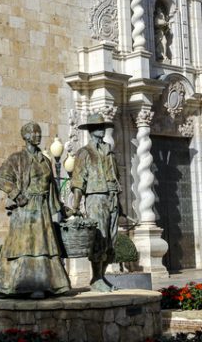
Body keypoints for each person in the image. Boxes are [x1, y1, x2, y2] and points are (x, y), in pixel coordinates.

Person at [0, 121, 71, 298]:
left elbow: (53, 188)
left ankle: (49, 284)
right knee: (25, 246)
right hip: (25, 208)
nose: (37, 135)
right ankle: (17, 285)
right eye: (34, 132)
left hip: (42, 207)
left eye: (39, 132)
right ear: (25, 136)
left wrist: (62, 208)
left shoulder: (45, 160)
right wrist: (16, 194)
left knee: (43, 246)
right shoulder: (17, 158)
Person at [69, 112, 121, 292]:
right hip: (96, 197)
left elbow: (116, 175)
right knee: (99, 238)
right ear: (91, 130)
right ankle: (96, 278)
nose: (102, 130)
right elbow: (77, 181)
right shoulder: (84, 153)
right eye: (98, 127)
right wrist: (75, 206)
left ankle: (101, 276)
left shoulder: (109, 151)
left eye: (103, 127)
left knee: (111, 241)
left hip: (112, 197)